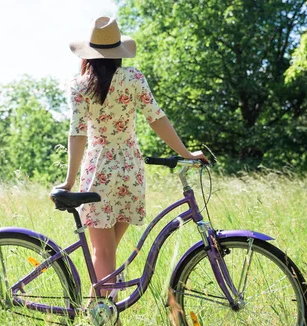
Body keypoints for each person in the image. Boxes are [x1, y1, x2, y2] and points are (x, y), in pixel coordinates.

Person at [55, 16, 209, 298]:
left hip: (98, 170)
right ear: (118, 53)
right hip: (130, 169)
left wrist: (69, 180)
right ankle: (105, 316)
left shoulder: (80, 86)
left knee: (103, 251)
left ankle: (103, 316)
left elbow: (77, 134)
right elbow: (157, 119)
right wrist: (185, 153)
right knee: (108, 251)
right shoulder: (133, 78)